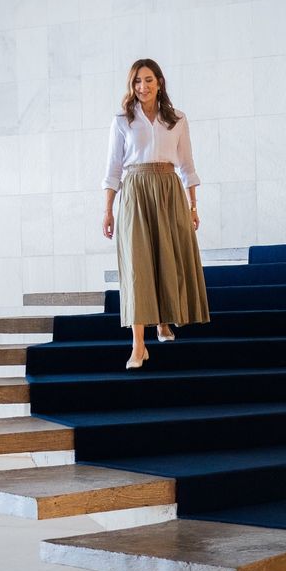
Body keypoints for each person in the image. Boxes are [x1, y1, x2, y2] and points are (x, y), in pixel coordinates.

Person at [102, 59, 210, 369]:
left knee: (166, 257)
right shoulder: (123, 120)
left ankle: (163, 322)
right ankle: (138, 345)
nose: (142, 87)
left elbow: (187, 165)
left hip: (168, 190)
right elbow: (113, 169)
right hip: (135, 191)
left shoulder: (176, 119)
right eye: (137, 81)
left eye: (148, 80)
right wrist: (107, 209)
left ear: (159, 82)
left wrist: (193, 206)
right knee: (138, 263)